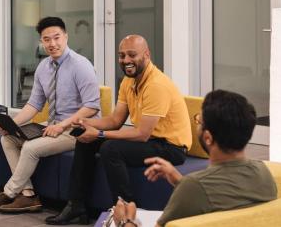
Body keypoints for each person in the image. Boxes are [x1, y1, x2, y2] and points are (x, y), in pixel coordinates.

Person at [46, 35, 192, 225]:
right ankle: (77, 205)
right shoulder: (128, 82)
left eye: (132, 55)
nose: (126, 60)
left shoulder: (157, 85)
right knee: (85, 140)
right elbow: (115, 120)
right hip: (151, 140)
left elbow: (141, 134)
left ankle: (126, 210)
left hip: (171, 146)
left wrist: (99, 134)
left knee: (110, 148)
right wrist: (87, 123)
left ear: (146, 55)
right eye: (122, 56)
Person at [0, 17, 100, 213]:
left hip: (77, 129)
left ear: (66, 37)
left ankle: (8, 193)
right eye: (47, 39)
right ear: (41, 42)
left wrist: (62, 126)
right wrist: (12, 124)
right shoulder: (43, 68)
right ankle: (28, 195)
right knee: (8, 139)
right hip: (52, 124)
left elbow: (92, 107)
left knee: (30, 148)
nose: (52, 44)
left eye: (57, 37)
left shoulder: (81, 65)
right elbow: (34, 105)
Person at [111, 90, 277, 227]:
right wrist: (180, 181)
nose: (197, 123)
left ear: (208, 138)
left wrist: (125, 222)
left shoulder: (194, 188)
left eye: (199, 120)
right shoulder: (264, 174)